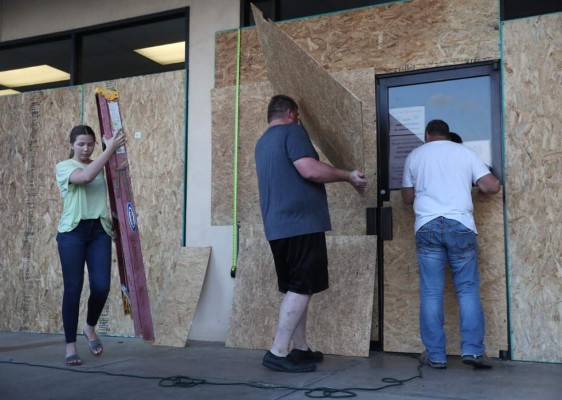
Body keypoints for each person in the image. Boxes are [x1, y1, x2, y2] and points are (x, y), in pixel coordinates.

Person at [255, 94, 368, 373]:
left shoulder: (262, 143)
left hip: (278, 227)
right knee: (302, 286)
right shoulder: (293, 132)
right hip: (301, 224)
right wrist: (347, 175)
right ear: (292, 113)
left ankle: (300, 349)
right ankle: (278, 351)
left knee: (297, 286)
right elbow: (309, 170)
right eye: (299, 116)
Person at [401, 119, 500, 370]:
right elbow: (491, 187)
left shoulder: (415, 156)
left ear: (427, 135)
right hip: (460, 225)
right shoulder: (465, 153)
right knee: (467, 289)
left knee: (432, 292)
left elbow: (407, 197)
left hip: (428, 225)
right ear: (447, 135)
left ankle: (435, 355)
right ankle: (474, 352)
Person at [55, 125, 126, 366]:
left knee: (101, 287)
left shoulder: (100, 163)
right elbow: (85, 178)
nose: (86, 149)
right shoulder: (64, 167)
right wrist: (110, 150)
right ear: (71, 145)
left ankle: (89, 327)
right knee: (73, 290)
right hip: (72, 233)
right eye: (81, 144)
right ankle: (70, 347)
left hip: (99, 231)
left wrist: (115, 222)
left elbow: (109, 193)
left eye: (90, 144)